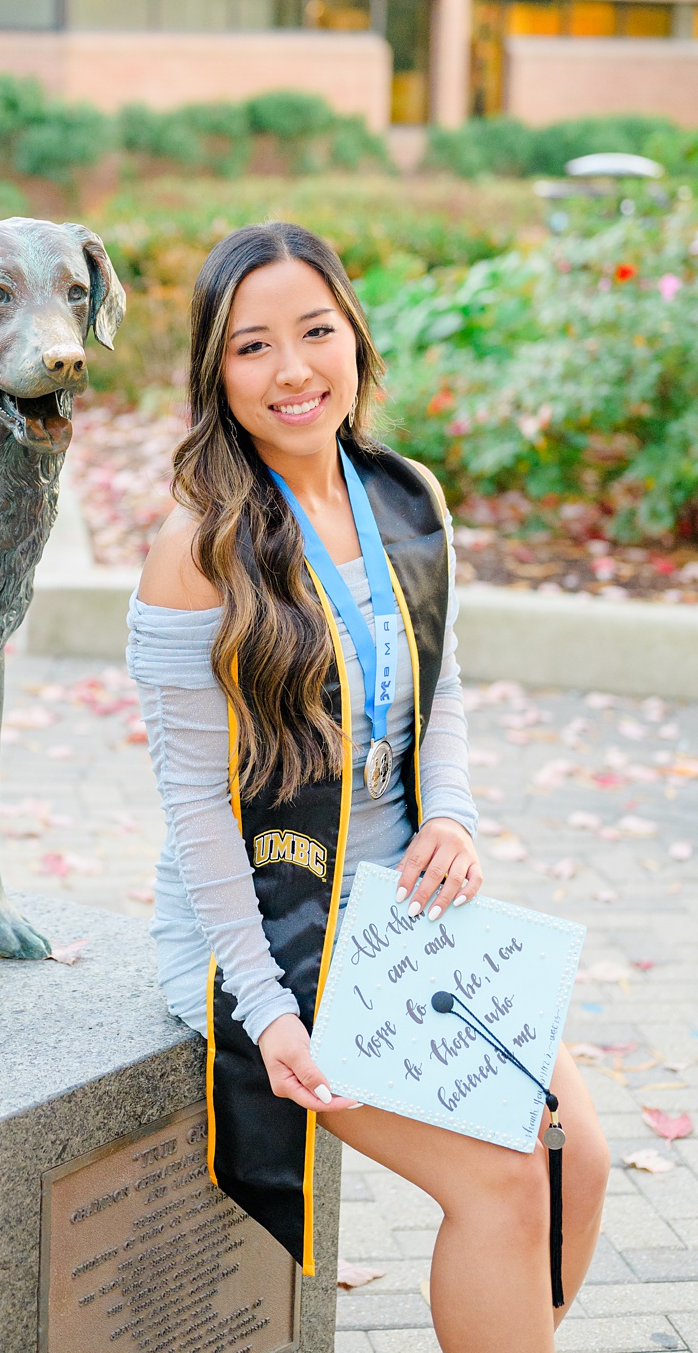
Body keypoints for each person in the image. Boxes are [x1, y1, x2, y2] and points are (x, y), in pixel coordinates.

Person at [131, 220, 606, 1351]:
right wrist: (264, 1004)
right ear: (216, 372)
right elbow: (195, 801)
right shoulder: (200, 544)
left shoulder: (404, 495)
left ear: (355, 338)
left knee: (572, 1154)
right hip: (266, 919)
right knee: (498, 1180)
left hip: (401, 908)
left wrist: (453, 812)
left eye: (315, 331)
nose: (292, 370)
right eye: (253, 346)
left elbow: (438, 693)